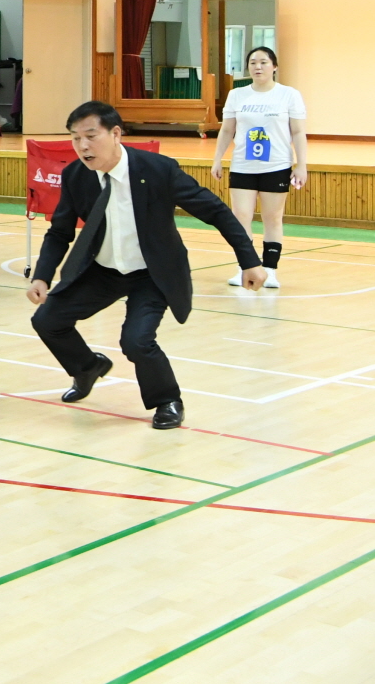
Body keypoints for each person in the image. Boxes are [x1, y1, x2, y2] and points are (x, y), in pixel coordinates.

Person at [27, 102, 265, 430]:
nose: (82, 146)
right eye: (75, 138)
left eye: (91, 136)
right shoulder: (75, 175)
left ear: (115, 134)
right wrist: (42, 275)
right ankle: (86, 367)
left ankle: (167, 400)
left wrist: (249, 261)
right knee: (47, 320)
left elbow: (216, 211)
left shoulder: (157, 170)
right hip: (102, 269)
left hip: (150, 273)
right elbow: (60, 232)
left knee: (136, 341)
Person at [210, 46, 307, 289]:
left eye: (263, 62)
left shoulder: (289, 95)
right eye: (253, 62)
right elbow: (227, 129)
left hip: (276, 165)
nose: (258, 67)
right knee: (240, 216)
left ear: (274, 67)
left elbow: (297, 131)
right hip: (243, 165)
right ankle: (245, 267)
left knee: (272, 217)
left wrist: (301, 165)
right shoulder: (237, 95)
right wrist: (217, 159)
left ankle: (270, 270)